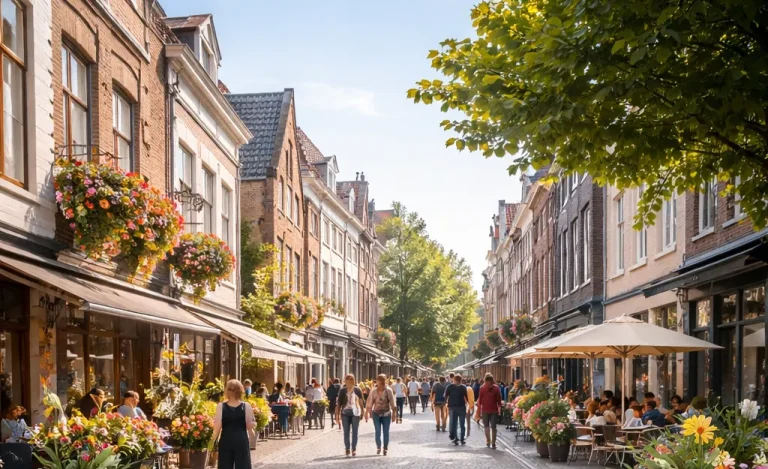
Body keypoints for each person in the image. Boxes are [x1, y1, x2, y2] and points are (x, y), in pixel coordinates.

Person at [213, 380, 256, 469]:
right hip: (242, 441)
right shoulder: (246, 406)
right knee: (243, 466)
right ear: (241, 391)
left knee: (225, 466)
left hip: (226, 441)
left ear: (227, 391)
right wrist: (252, 441)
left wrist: (211, 442)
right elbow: (250, 428)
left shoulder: (221, 406)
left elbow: (217, 427)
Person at [366, 374, 397, 456]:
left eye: (384, 379)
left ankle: (385, 448)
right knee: (377, 431)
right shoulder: (373, 391)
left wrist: (394, 414)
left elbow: (393, 404)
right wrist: (368, 413)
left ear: (386, 380)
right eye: (380, 380)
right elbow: (370, 403)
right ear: (377, 381)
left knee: (386, 432)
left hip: (386, 414)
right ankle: (379, 446)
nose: (382, 381)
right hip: (376, 414)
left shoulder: (388, 391)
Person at [336, 374, 365, 457]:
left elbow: (361, 402)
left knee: (355, 431)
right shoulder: (342, 391)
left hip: (355, 412)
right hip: (345, 412)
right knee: (346, 432)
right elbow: (339, 404)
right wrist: (337, 415)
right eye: (348, 380)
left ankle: (354, 449)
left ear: (353, 381)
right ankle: (347, 448)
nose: (349, 381)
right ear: (345, 381)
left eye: (351, 379)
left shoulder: (357, 390)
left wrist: (363, 411)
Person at [476, 373, 502, 449]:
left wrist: (479, 410)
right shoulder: (496, 388)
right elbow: (499, 400)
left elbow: (480, 400)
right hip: (494, 410)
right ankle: (493, 443)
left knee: (486, 426)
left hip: (485, 410)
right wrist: (499, 408)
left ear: (485, 380)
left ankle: (488, 441)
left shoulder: (482, 388)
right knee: (493, 427)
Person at [445, 374, 469, 446]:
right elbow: (467, 398)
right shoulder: (463, 387)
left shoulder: (450, 387)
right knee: (461, 424)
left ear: (454, 380)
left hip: (453, 407)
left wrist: (447, 403)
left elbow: (445, 396)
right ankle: (461, 438)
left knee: (455, 424)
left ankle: (456, 438)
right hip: (460, 407)